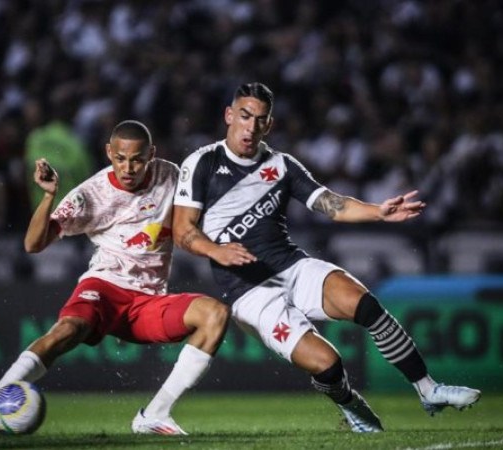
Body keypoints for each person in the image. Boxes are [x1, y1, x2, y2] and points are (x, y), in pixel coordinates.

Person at [172, 82, 480, 433]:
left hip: (291, 266)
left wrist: (378, 212)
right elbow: (183, 231)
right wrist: (216, 250)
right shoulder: (202, 163)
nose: (250, 127)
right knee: (328, 365)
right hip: (249, 291)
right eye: (244, 116)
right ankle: (350, 404)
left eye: (259, 120)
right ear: (229, 115)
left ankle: (429, 389)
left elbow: (331, 204)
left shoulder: (282, 165)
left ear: (268, 125)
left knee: (364, 303)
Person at [0, 120, 229, 436]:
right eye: (120, 158)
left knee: (215, 315)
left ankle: (154, 415)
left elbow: (208, 208)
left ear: (152, 154)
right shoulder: (93, 193)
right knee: (67, 330)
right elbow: (33, 244)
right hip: (104, 288)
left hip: (147, 302)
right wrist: (48, 196)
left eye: (137, 159)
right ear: (108, 153)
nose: (128, 167)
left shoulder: (171, 176)